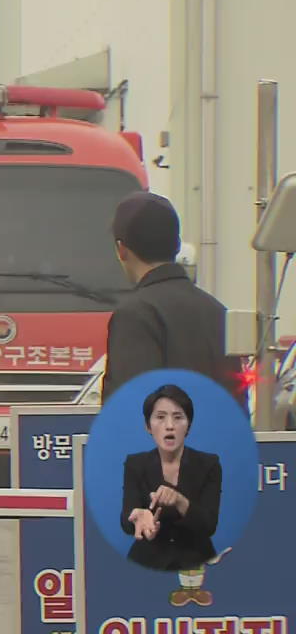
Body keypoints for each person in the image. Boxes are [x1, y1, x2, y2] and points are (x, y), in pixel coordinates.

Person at [100, 192, 235, 402]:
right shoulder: (217, 311)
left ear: (122, 249)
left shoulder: (135, 315)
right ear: (178, 244)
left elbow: (132, 406)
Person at [121, 385, 222, 581]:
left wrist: (180, 501)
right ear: (148, 426)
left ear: (188, 426)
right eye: (160, 417)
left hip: (196, 565)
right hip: (148, 564)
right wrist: (138, 518)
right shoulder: (135, 464)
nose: (170, 426)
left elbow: (209, 525)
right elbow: (127, 520)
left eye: (178, 417)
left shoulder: (209, 464)